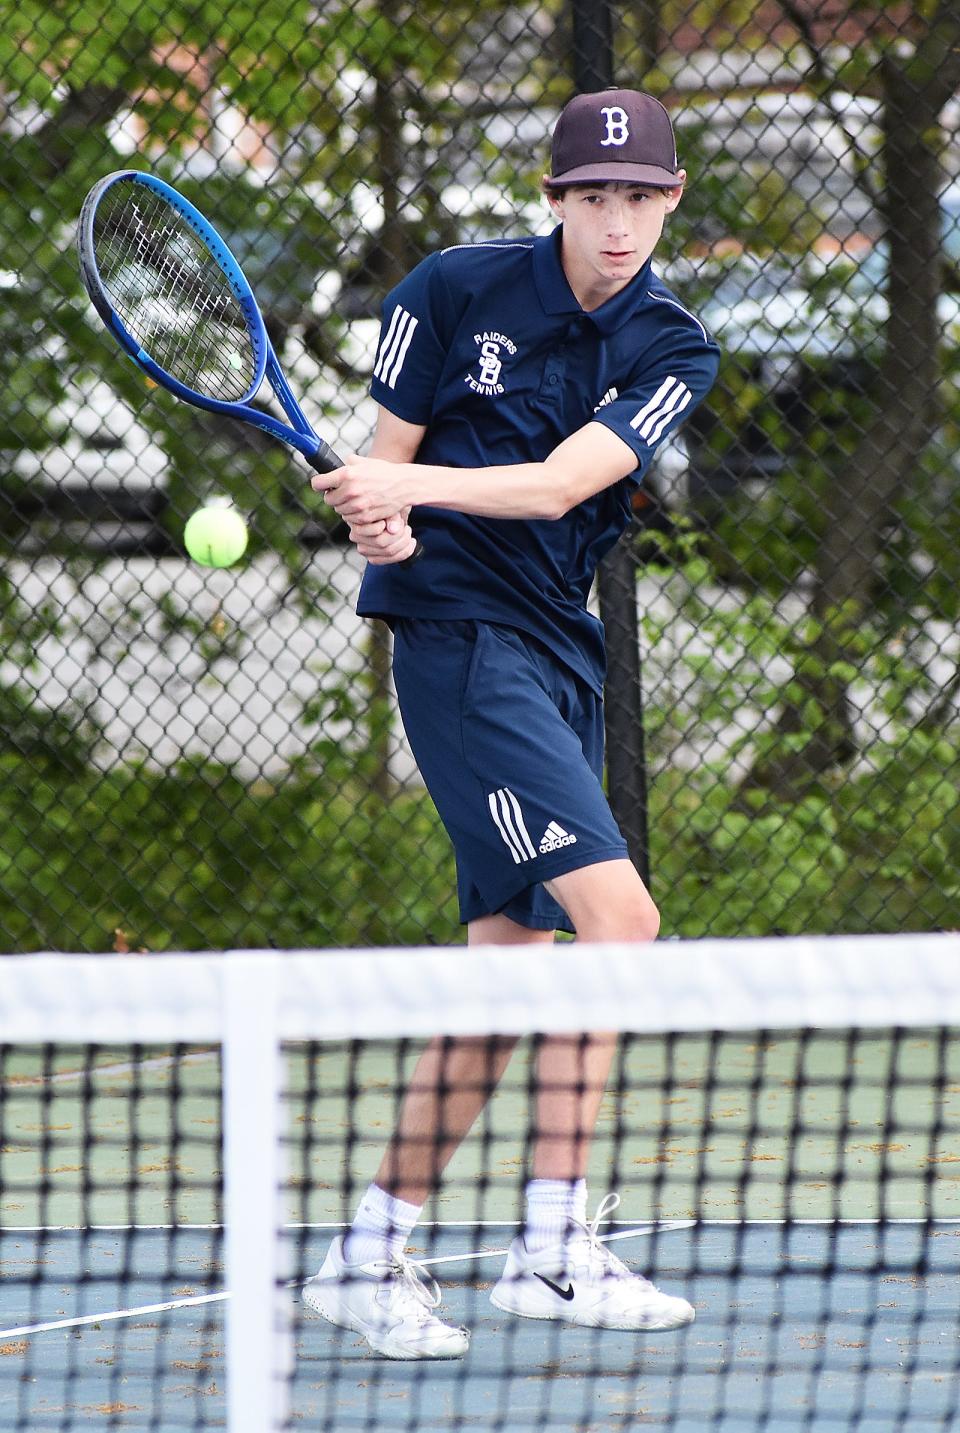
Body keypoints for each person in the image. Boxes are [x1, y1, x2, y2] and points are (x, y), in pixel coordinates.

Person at [303, 87, 720, 1359]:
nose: (617, 222)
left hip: (559, 652)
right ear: (554, 200)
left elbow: (554, 487)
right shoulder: (450, 287)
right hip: (461, 650)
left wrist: (399, 487)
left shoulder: (672, 344)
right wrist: (379, 512)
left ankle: (365, 1254)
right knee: (622, 917)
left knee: (506, 977)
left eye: (639, 198)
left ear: (669, 202)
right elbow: (387, 458)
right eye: (594, 197)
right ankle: (549, 1243)